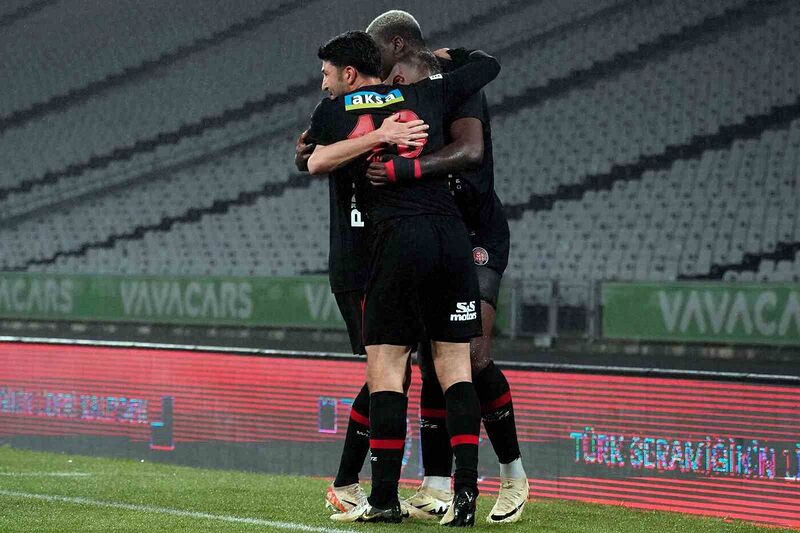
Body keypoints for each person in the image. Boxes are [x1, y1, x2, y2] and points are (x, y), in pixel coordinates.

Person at [304, 30, 500, 526]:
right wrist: (447, 56)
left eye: (327, 74)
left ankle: (386, 497)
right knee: (454, 365)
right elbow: (488, 64)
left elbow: (313, 160)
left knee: (388, 368)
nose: (323, 83)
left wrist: (374, 138)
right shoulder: (426, 91)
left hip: (395, 240)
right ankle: (465, 497)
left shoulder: (338, 109)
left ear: (350, 73)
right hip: (451, 238)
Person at [365, 10, 529, 525]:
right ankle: (436, 485)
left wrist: (403, 170)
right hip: (432, 232)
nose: (379, 71)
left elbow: (471, 151)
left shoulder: (455, 88)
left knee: (474, 356)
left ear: (399, 47)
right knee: (434, 357)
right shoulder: (395, 96)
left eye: (380, 55)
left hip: (477, 234)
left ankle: (513, 475)